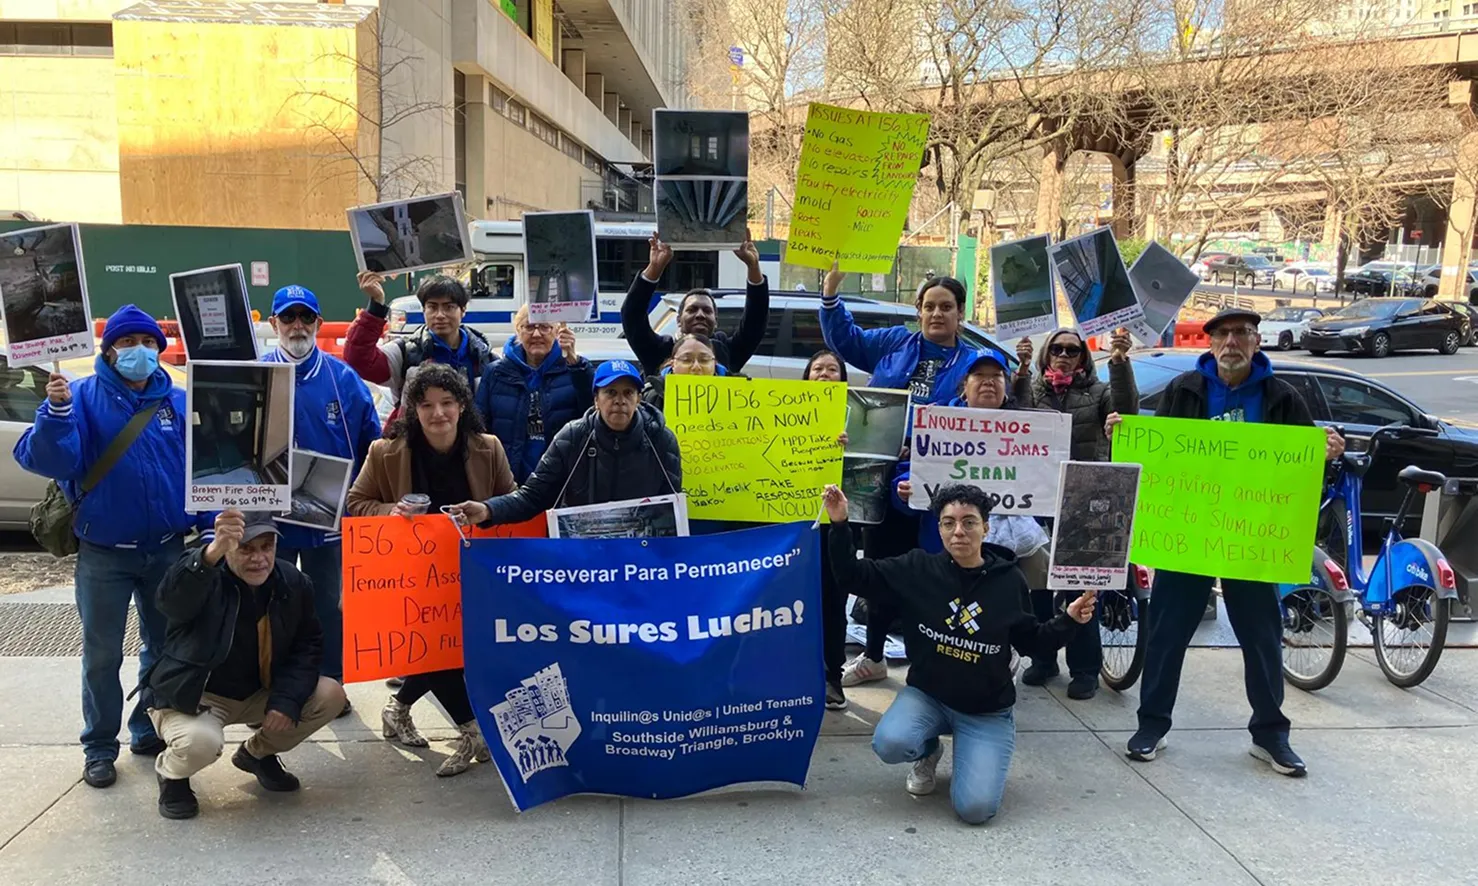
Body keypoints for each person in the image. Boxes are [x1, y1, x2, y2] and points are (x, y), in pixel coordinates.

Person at [1105, 307, 1345, 777]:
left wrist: (1327, 452)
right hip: (1189, 536)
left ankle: (1271, 735)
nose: (1232, 342)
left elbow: (1301, 477)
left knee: (1262, 637)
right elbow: (1158, 457)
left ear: (1257, 342)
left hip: (1251, 540)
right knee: (1168, 633)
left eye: (1242, 334)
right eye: (1223, 335)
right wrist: (1126, 435)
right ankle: (1152, 725)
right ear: (1209, 344)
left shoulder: (1282, 397)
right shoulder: (1185, 390)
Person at [822, 482, 1096, 824]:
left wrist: (1069, 621)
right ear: (938, 529)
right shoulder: (917, 569)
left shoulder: (1008, 581)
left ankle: (984, 747)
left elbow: (1033, 642)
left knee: (975, 810)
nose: (959, 532)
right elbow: (851, 576)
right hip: (929, 695)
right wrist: (839, 524)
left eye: (969, 521)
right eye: (948, 523)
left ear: (986, 527)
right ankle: (928, 750)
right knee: (890, 743)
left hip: (985, 710)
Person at [14, 305, 205, 789]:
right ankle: (99, 745)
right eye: (127, 342)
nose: (138, 351)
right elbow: (46, 459)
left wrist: (204, 527)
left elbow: (201, 470)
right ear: (109, 349)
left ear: (158, 350)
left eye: (147, 342)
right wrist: (54, 414)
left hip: (166, 550)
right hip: (104, 554)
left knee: (162, 648)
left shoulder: (178, 402)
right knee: (102, 656)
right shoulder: (76, 397)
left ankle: (147, 727)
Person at [346, 364, 516, 777]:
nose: (438, 413)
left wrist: (489, 510)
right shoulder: (384, 452)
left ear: (461, 406)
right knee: (435, 646)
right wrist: (393, 511)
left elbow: (512, 500)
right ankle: (471, 729)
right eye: (426, 405)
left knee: (455, 647)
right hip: (412, 573)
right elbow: (356, 503)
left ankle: (398, 708)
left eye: (446, 403)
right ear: (412, 411)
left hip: (469, 567)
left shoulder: (488, 447)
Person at [144, 510, 347, 819]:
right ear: (228, 549)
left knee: (330, 695)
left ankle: (257, 755)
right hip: (197, 695)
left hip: (259, 691)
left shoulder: (292, 581)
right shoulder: (204, 575)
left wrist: (286, 700)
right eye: (247, 548)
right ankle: (173, 775)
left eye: (267, 547)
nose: (259, 558)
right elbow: (170, 601)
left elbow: (309, 645)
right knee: (200, 744)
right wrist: (210, 553)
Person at [263, 285, 382, 716]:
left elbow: (374, 444)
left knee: (329, 605)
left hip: (329, 517)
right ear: (274, 323)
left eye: (306, 318)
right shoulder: (256, 373)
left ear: (317, 321)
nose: (297, 326)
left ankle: (333, 683)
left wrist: (369, 501)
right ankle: (276, 686)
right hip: (271, 518)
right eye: (288, 318)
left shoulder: (342, 378)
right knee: (274, 604)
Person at [1012, 327, 1139, 700]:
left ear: (1083, 357)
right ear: (1046, 355)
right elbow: (1014, 417)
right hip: (1038, 495)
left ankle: (1084, 668)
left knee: (1078, 582)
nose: (1064, 355)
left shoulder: (1097, 393)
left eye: (1072, 350)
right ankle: (1044, 658)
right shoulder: (1032, 389)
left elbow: (1126, 409)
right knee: (1037, 582)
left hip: (1085, 495)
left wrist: (1118, 362)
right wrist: (1020, 369)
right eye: (1056, 349)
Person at [448, 360, 681, 527]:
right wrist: (488, 510)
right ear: (596, 399)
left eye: (628, 393)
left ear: (639, 399)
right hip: (582, 558)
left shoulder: (661, 439)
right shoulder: (572, 437)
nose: (619, 401)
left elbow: (671, 509)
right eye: (610, 392)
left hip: (641, 559)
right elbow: (532, 497)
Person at [820, 265, 976, 407]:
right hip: (882, 435)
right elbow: (845, 340)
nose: (936, 314)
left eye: (946, 307)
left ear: (960, 311)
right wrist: (830, 290)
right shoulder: (892, 342)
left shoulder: (973, 363)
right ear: (920, 312)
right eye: (929, 307)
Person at [621, 231, 770, 375]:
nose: (700, 315)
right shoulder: (658, 350)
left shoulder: (728, 352)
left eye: (707, 310)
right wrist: (654, 268)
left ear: (716, 321)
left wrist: (753, 266)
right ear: (678, 320)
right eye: (692, 310)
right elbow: (632, 315)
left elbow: (755, 320)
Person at [474, 305, 594, 483]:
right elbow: (479, 426)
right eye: (529, 327)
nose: (537, 334)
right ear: (518, 331)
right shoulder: (496, 372)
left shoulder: (575, 369)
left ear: (557, 332)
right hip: (509, 477)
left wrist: (574, 363)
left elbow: (592, 415)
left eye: (545, 327)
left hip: (561, 478)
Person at [343, 272, 494, 412]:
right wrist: (376, 305)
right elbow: (358, 359)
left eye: (449, 307)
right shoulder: (404, 353)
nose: (440, 315)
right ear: (423, 310)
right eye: (432, 307)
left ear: (463, 310)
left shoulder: (486, 359)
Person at [802, 349, 853, 710]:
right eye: (817, 368)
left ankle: (832, 676)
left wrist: (855, 447)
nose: (824, 374)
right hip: (795, 525)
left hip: (835, 526)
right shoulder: (784, 414)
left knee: (833, 600)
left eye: (832, 369)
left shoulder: (855, 416)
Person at [641, 333, 731, 411]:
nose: (696, 367)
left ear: (714, 363)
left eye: (704, 360)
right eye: (686, 360)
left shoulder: (735, 395)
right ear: (673, 364)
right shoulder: (651, 395)